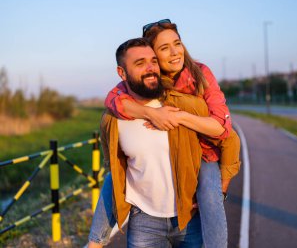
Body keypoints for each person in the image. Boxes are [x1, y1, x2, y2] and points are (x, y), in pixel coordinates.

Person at [89, 20, 241, 248]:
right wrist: (149, 113)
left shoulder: (196, 83)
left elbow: (225, 131)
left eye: (177, 44)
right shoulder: (118, 110)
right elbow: (113, 99)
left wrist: (178, 117)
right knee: (114, 176)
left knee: (211, 194)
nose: (173, 53)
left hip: (197, 187)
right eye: (162, 49)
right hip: (144, 220)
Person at [97, 37, 211, 247]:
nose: (150, 68)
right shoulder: (111, 121)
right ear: (122, 73)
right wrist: (96, 239)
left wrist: (216, 193)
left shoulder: (185, 105)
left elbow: (226, 141)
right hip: (143, 220)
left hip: (190, 218)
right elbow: (115, 173)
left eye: (154, 61)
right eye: (140, 63)